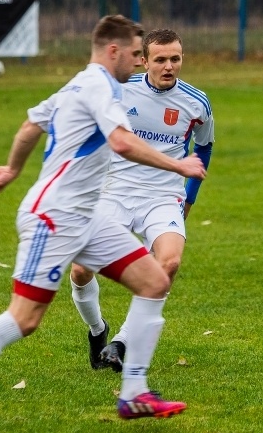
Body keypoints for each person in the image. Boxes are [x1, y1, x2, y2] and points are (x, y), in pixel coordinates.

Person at [0, 15, 206, 433]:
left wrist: (11, 170)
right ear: (113, 51)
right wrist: (178, 164)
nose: (141, 62)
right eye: (138, 54)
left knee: (155, 282)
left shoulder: (78, 83)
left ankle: (134, 391)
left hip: (89, 215)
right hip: (55, 216)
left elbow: (30, 125)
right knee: (24, 320)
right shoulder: (100, 84)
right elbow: (121, 142)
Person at [68, 28, 214, 373]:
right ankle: (97, 330)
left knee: (169, 264)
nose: (169, 66)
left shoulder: (197, 103)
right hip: (114, 191)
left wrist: (189, 198)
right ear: (144, 60)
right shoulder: (119, 91)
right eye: (160, 59)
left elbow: (204, 148)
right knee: (79, 269)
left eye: (175, 59)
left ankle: (120, 342)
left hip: (163, 197)